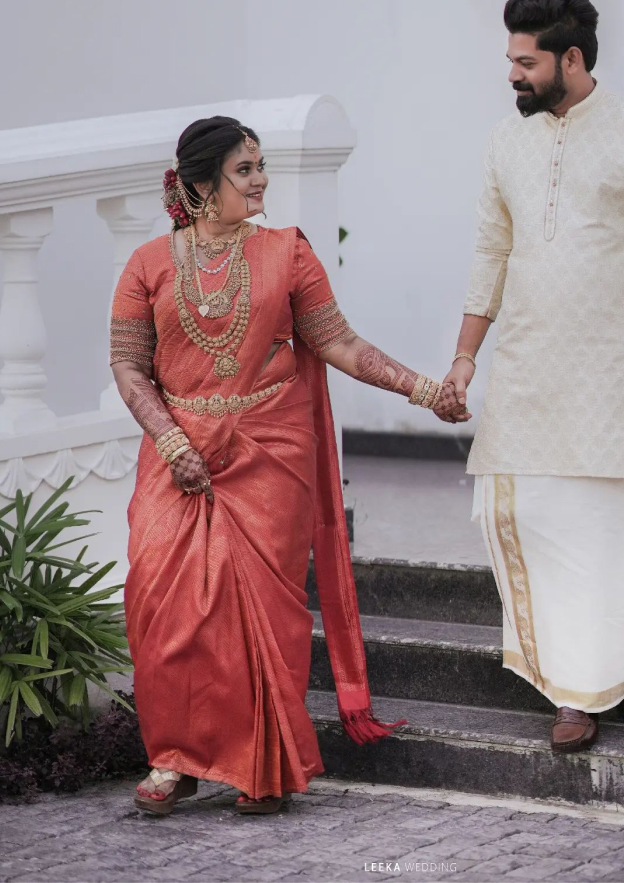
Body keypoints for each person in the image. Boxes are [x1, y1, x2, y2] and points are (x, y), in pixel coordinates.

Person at [110, 117, 461, 815]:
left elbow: (339, 344)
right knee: (160, 601)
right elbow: (127, 365)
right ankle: (175, 758)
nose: (262, 178)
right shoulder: (147, 264)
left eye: (261, 165)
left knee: (262, 617)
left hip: (269, 453)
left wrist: (423, 391)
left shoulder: (288, 253)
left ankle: (258, 765)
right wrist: (173, 443)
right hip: (176, 453)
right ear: (203, 186)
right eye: (246, 169)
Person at [441, 0, 624, 754]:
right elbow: (491, 251)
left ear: (572, 59)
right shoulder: (504, 142)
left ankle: (580, 690)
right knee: (513, 513)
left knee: (602, 526)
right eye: (511, 60)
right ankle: (553, 668)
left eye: (526, 62)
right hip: (526, 358)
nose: (513, 74)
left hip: (614, 363)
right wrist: (463, 357)